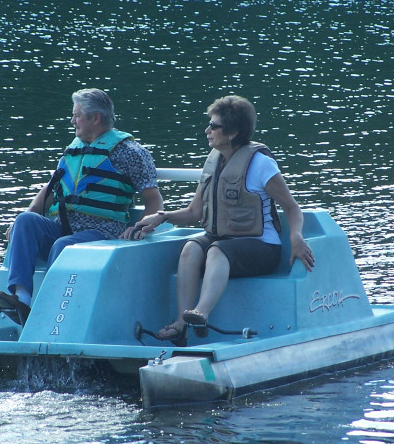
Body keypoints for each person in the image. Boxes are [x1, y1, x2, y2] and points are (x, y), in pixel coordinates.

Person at [131, 95, 314, 345]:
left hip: (261, 247)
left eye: (213, 126)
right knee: (191, 248)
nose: (207, 130)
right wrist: (161, 217)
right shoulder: (213, 162)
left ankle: (201, 314)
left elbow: (292, 208)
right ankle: (182, 324)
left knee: (217, 250)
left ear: (233, 132)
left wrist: (296, 237)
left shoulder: (261, 164)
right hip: (223, 243)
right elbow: (194, 213)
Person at [0, 88, 163, 325]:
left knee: (64, 246)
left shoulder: (131, 152)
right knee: (25, 221)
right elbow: (51, 190)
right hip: (65, 228)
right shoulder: (74, 149)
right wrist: (27, 215)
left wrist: (140, 228)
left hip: (103, 232)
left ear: (96, 118)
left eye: (77, 115)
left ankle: (49, 309)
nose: (72, 121)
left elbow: (153, 199)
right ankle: (21, 301)